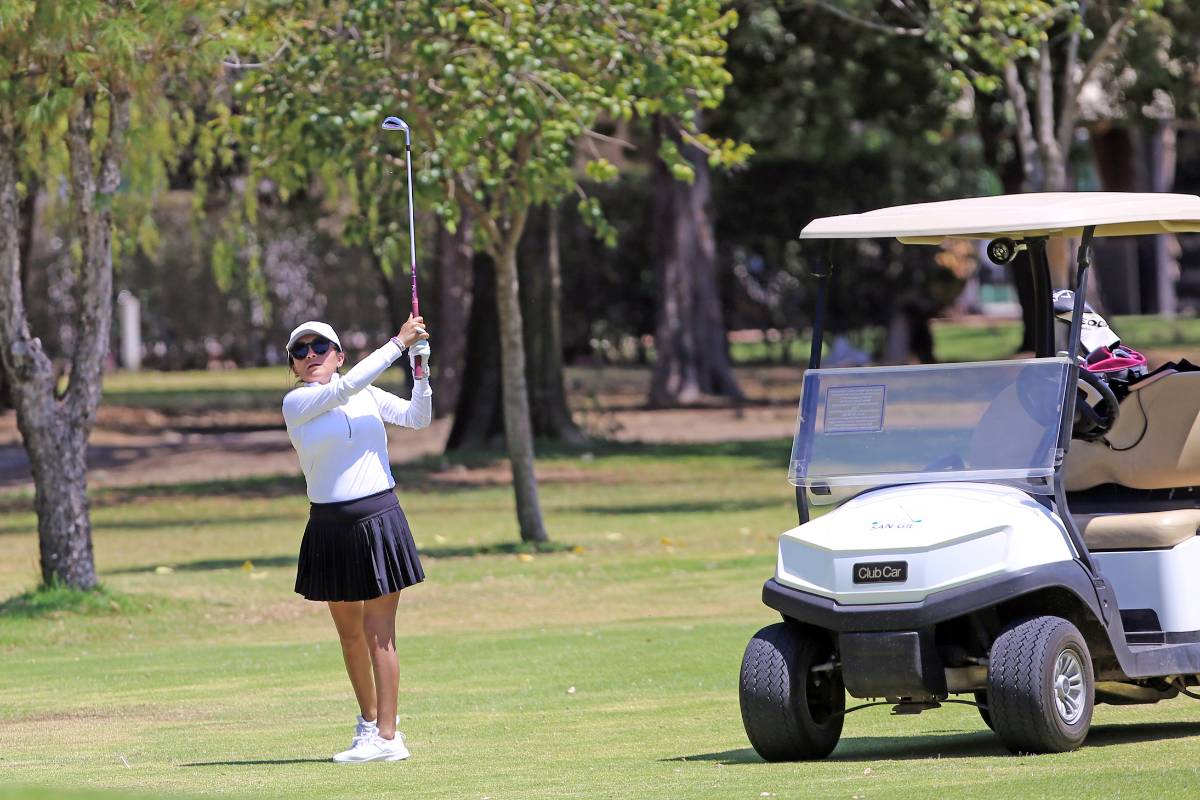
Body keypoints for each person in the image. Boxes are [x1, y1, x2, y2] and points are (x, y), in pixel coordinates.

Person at [282, 316, 432, 763]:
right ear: (293, 365)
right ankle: (368, 726)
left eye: (320, 347)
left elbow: (416, 418)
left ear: (339, 356)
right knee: (349, 635)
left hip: (380, 518)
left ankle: (389, 736)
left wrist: (421, 372)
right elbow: (341, 392)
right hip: (330, 526)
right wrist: (397, 344)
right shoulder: (298, 403)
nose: (310, 356)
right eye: (300, 351)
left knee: (379, 634)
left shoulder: (364, 390)